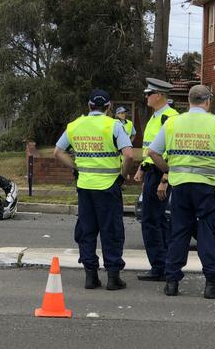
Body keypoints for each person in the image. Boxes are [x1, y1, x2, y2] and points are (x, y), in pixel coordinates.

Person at [148, 85, 215, 298]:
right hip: (208, 187)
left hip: (180, 185)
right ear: (208, 101)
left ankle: (171, 281)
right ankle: (212, 283)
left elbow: (152, 152)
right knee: (208, 232)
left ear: (189, 101)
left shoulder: (172, 122)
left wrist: (168, 170)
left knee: (179, 232)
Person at [54, 89, 133, 290]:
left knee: (87, 231)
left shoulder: (75, 126)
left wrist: (76, 167)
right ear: (108, 107)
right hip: (108, 187)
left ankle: (91, 276)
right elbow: (129, 155)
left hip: (85, 187)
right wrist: (122, 175)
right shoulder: (114, 125)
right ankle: (113, 278)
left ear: (89, 106)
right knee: (112, 230)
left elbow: (58, 152)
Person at [133, 78, 178, 281]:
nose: (146, 97)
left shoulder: (169, 118)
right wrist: (142, 168)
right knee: (155, 220)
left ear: (159, 95)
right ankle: (162, 265)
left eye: (149, 93)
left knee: (153, 221)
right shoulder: (155, 117)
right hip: (153, 172)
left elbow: (172, 150)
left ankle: (160, 266)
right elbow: (151, 148)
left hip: (162, 173)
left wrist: (165, 178)